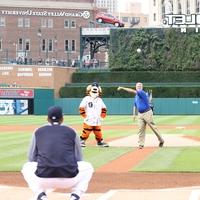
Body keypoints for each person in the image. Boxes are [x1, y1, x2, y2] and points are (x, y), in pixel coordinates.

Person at [21, 106, 94, 200]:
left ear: (47, 118)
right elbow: (79, 158)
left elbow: (31, 158)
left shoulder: (38, 131)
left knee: (26, 167)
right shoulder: (72, 131)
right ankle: (76, 195)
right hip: (69, 178)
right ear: (62, 118)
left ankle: (40, 194)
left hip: (42, 179)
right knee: (88, 167)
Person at [117, 82, 164, 149]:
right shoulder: (136, 96)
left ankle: (161, 140)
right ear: (136, 87)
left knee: (153, 127)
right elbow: (135, 105)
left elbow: (132, 91)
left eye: (140, 85)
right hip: (140, 114)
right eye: (137, 85)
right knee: (141, 129)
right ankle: (141, 144)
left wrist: (122, 88)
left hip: (147, 112)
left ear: (142, 87)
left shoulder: (141, 93)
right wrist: (134, 115)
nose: (139, 86)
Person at [79, 82, 109, 147]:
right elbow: (81, 108)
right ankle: (81, 141)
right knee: (86, 131)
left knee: (98, 132)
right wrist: (85, 116)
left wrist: (102, 117)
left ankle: (100, 141)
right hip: (88, 119)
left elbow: (104, 109)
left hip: (97, 120)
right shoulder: (86, 99)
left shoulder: (100, 100)